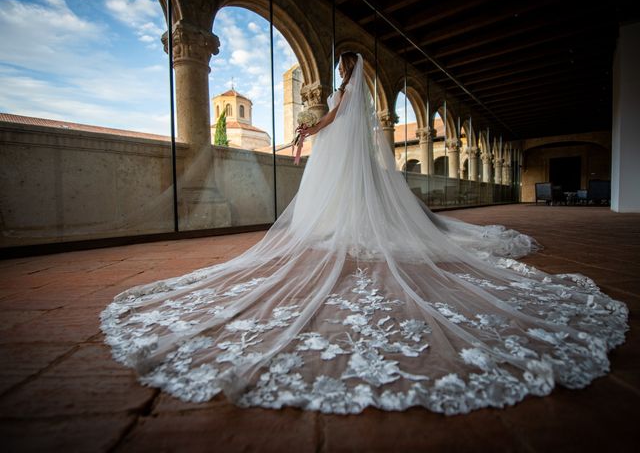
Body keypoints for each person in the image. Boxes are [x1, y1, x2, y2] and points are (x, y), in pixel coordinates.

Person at [101, 52, 628, 415]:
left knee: (333, 212)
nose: (336, 72)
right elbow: (335, 118)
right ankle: (343, 229)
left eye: (339, 67)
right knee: (347, 208)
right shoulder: (357, 95)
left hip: (335, 154)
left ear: (346, 70)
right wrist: (317, 124)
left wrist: (309, 127)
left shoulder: (346, 95)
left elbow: (330, 119)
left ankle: (338, 231)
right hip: (343, 157)